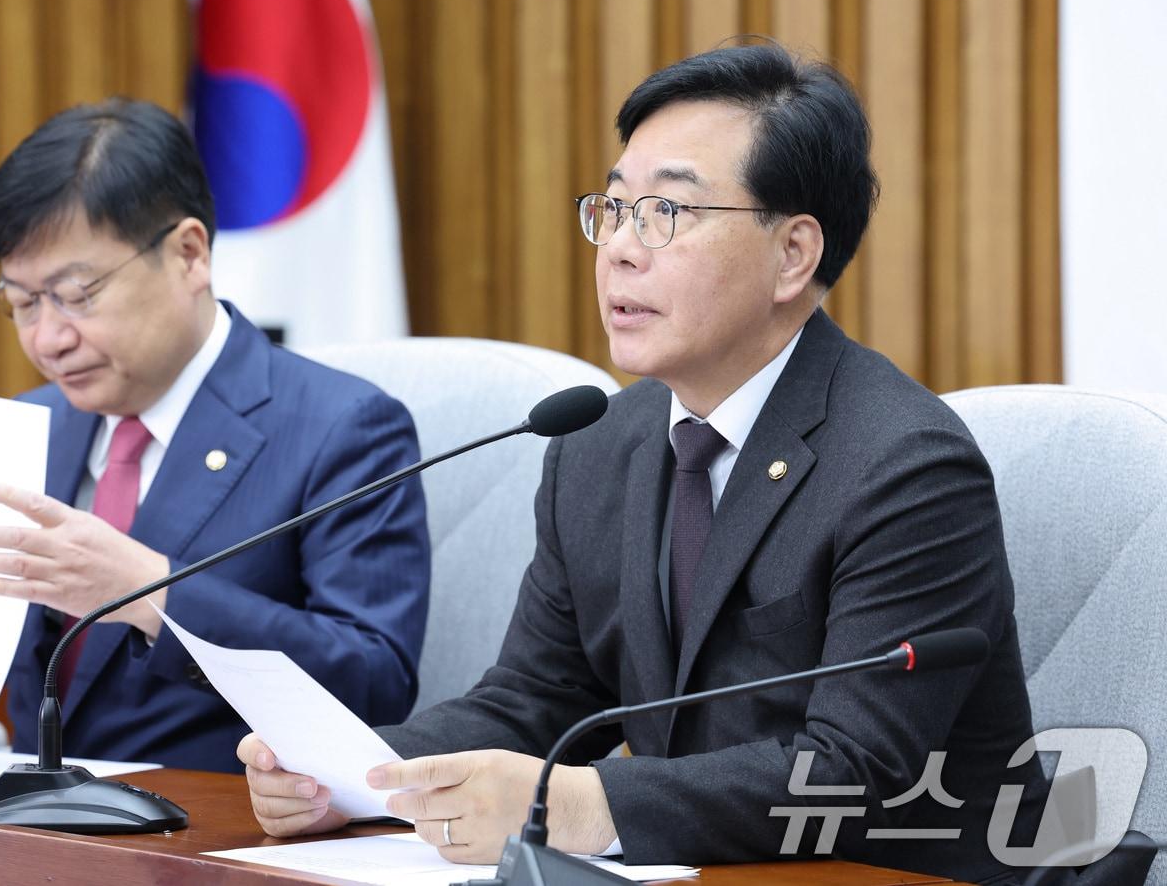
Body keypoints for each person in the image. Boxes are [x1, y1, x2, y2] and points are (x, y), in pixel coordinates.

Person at [238, 44, 1052, 883]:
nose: (620, 250)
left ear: (793, 254)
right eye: (613, 208)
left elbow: (855, 770)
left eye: (666, 213)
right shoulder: (597, 446)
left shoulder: (905, 466)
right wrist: (357, 775)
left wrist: (594, 804)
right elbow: (534, 699)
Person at [0, 98, 431, 773]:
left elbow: (376, 680)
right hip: (22, 835)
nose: (47, 338)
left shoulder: (342, 427)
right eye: (22, 302)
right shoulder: (24, 426)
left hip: (220, 839)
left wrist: (155, 591)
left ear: (189, 254)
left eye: (77, 293)